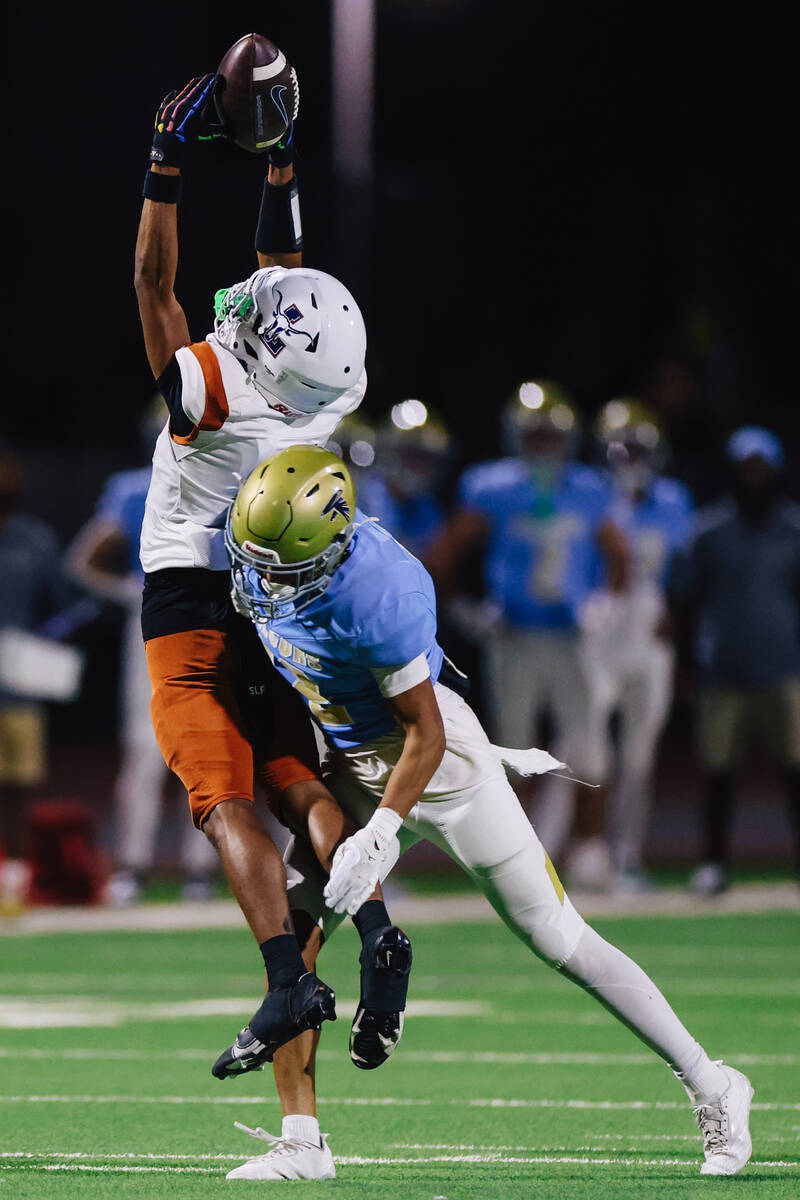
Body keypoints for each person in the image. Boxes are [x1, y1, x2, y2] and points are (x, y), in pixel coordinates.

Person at [217, 443, 754, 1182]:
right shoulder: (266, 542)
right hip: (348, 762)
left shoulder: (381, 587)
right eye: (259, 560)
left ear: (333, 548)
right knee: (292, 941)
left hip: (437, 765)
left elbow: (426, 731)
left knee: (557, 936)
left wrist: (381, 832)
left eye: (287, 566)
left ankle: (712, 1082)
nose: (267, 580)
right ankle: (303, 1142)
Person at [133, 72, 411, 1073]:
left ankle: (286, 976)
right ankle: (376, 926)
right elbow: (285, 279)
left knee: (225, 802)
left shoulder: (211, 387)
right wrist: (280, 159)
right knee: (294, 776)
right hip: (274, 602)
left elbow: (155, 287)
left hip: (189, 603)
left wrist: (165, 164)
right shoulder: (324, 396)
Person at [426, 382, 629, 889]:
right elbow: (442, 556)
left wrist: (605, 604)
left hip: (573, 639)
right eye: (534, 435)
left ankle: (590, 852)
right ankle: (512, 857)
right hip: (513, 637)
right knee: (512, 752)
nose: (543, 444)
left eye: (550, 435)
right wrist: (465, 609)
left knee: (590, 747)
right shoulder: (493, 485)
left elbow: (620, 557)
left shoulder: (588, 488)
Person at [65, 400, 217, 905]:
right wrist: (130, 592)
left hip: (206, 620)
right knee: (146, 750)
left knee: (204, 747)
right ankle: (134, 865)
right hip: (154, 622)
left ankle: (200, 868)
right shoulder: (134, 488)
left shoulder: (220, 479)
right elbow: (82, 560)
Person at [671, 426, 800, 894]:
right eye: (746, 468)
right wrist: (685, 664)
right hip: (722, 670)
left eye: (760, 468)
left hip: (785, 667)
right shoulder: (708, 531)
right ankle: (713, 862)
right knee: (717, 771)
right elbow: (685, 601)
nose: (753, 477)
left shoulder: (794, 529)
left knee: (795, 768)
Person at [579, 399, 694, 890]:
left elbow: (684, 570)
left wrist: (676, 613)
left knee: (639, 757)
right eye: (622, 449)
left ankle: (627, 856)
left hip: (650, 631)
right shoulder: (589, 495)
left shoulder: (674, 499)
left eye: (638, 449)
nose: (630, 459)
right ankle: (577, 850)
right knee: (587, 746)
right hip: (601, 627)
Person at [0, 442, 74, 912]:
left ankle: (13, 882)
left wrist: (40, 642)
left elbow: (70, 605)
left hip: (17, 685)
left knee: (17, 790)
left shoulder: (35, 539)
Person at [357, 401, 452, 557]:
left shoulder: (428, 509)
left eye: (427, 460)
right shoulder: (360, 494)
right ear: (391, 451)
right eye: (413, 456)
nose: (420, 467)